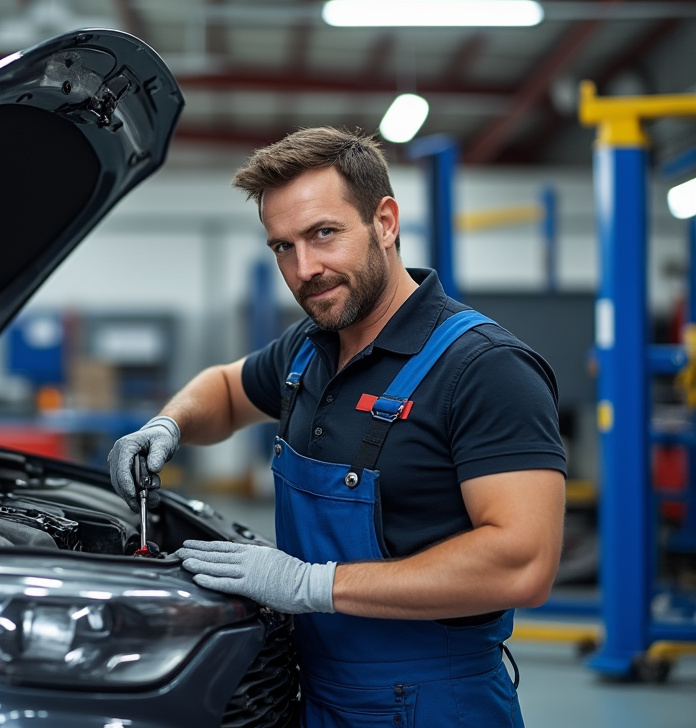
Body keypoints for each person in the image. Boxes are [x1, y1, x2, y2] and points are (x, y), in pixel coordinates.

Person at [107, 127, 566, 727]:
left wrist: (312, 586)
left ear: (385, 221)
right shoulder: (310, 349)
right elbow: (223, 388)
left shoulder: (484, 369)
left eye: (324, 234)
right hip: (316, 692)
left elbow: (522, 563)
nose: (306, 269)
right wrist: (169, 423)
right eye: (283, 247)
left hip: (434, 704)